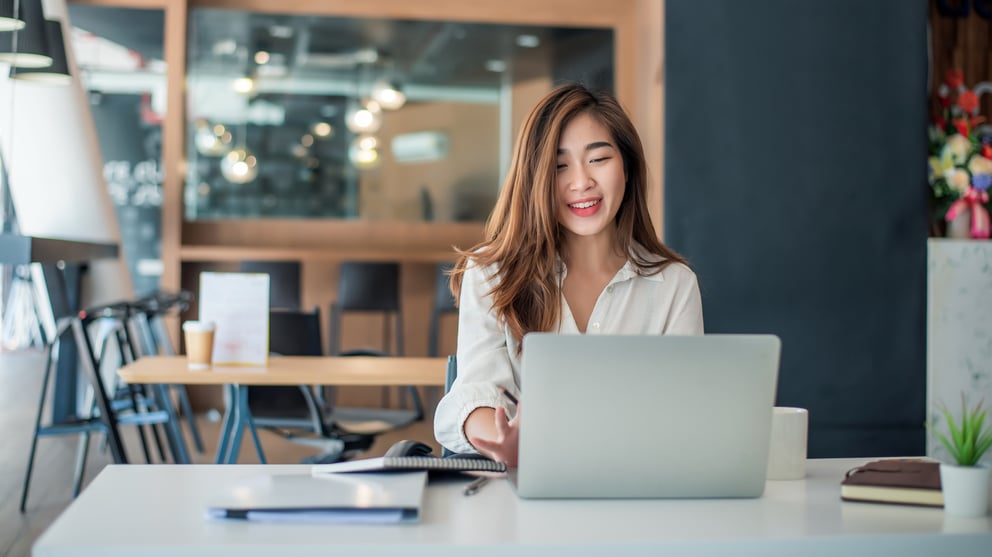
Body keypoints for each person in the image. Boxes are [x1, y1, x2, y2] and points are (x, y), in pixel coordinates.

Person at [433, 83, 704, 466]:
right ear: (535, 178)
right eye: (559, 166)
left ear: (627, 166)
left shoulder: (674, 285)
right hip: (521, 498)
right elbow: (477, 394)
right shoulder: (493, 274)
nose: (581, 182)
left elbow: (686, 412)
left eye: (599, 159)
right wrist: (508, 441)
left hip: (637, 491)